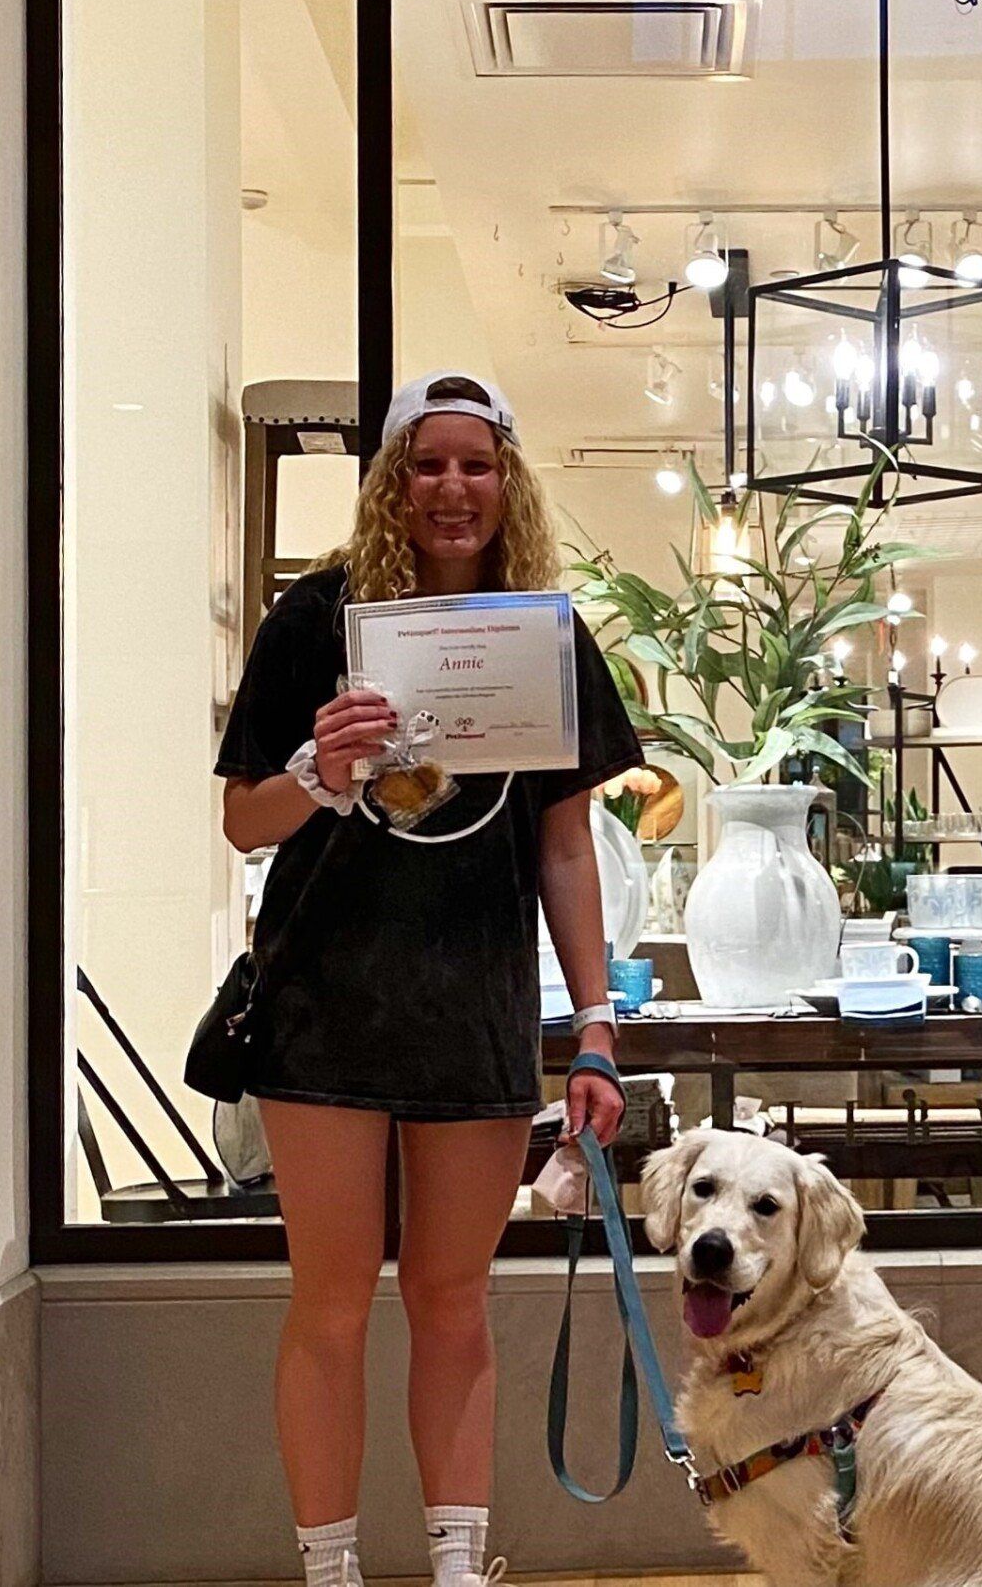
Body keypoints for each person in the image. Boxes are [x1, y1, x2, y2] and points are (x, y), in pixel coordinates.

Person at [217, 373, 643, 1587]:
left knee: (455, 1301)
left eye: (476, 464)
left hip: (475, 1014)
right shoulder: (315, 618)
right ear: (392, 481)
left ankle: (458, 1565)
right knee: (333, 1304)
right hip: (323, 1013)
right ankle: (331, 1569)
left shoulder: (548, 637)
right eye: (426, 464)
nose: (452, 489)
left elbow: (565, 847)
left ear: (508, 479)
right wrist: (316, 767)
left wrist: (597, 1027)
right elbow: (247, 822)